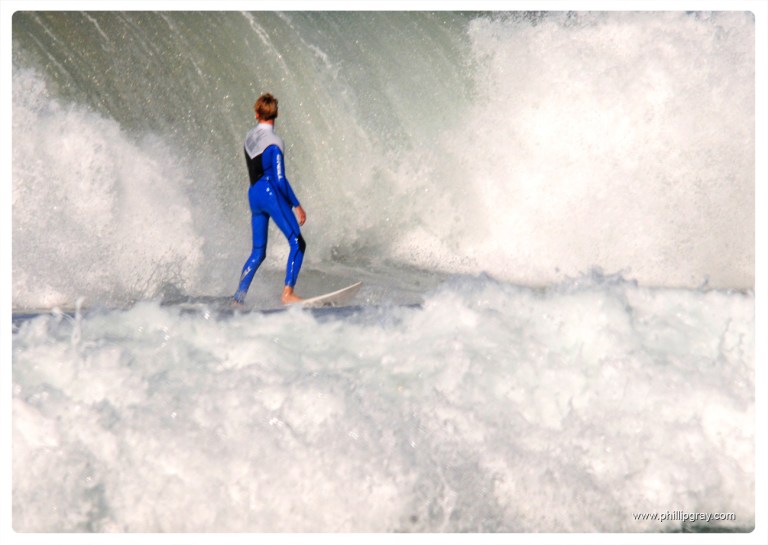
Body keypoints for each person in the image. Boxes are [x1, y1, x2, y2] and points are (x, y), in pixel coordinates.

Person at [233, 93, 307, 305]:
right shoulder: (275, 142)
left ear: (257, 114)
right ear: (275, 114)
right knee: (297, 243)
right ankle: (287, 294)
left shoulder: (249, 137)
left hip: (253, 194)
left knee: (258, 252)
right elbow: (280, 179)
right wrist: (297, 205)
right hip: (268, 193)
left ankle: (238, 298)